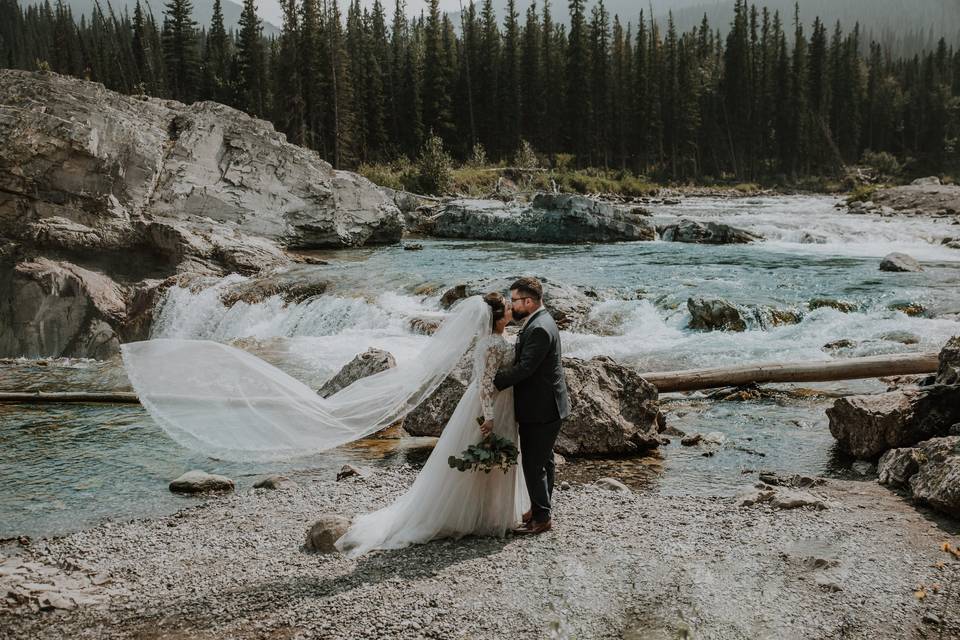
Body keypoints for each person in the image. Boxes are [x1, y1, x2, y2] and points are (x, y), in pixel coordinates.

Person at [334, 292, 527, 556]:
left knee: (492, 460)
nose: (511, 308)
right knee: (481, 457)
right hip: (490, 405)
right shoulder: (490, 344)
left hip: (504, 402)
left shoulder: (498, 338)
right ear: (496, 317)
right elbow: (484, 383)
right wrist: (489, 416)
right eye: (506, 306)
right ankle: (471, 516)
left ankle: (492, 513)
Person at [493, 277, 570, 535]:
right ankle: (540, 510)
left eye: (514, 300)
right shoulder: (541, 321)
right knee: (545, 461)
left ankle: (542, 518)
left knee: (534, 464)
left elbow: (526, 368)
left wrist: (494, 381)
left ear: (528, 301)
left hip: (541, 408)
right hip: (548, 405)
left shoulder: (539, 328)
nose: (511, 305)